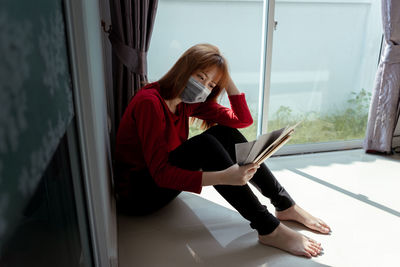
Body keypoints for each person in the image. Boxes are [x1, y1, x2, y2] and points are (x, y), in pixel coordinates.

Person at [114, 43, 331, 258]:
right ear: (184, 69)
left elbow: (242, 120)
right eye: (200, 77)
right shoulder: (149, 102)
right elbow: (160, 174)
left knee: (225, 132)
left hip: (157, 183)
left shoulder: (185, 102)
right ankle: (268, 228)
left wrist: (225, 81)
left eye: (211, 84)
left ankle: (284, 204)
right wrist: (225, 176)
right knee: (205, 145)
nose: (204, 87)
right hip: (138, 195)